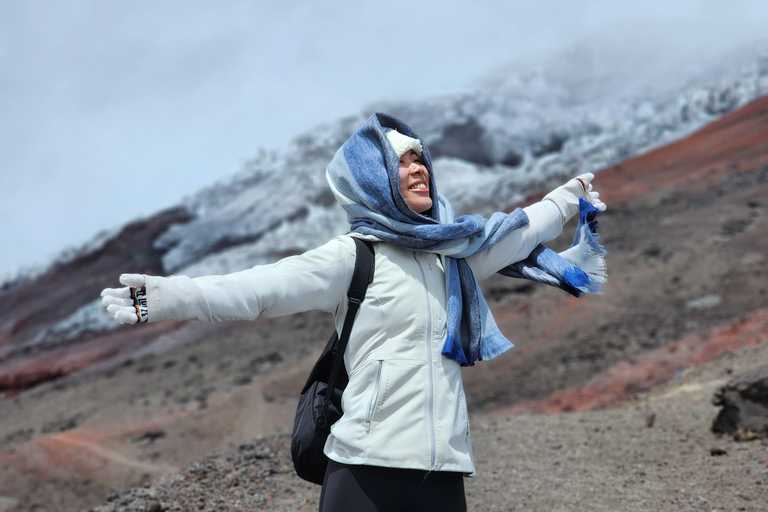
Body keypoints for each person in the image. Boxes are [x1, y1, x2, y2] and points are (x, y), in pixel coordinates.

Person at [101, 112, 606, 512]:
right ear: (373, 178)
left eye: (420, 158)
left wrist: (567, 199)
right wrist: (167, 298)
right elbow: (257, 290)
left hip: (445, 473)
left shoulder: (454, 255)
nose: (418, 168)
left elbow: (518, 230)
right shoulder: (354, 256)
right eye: (402, 162)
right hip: (365, 471)